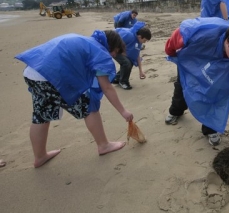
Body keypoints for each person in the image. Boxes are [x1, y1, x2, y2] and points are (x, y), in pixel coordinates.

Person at [15, 30, 134, 168]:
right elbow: (107, 87)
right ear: (112, 46)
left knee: (41, 115)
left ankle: (40, 157)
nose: (114, 55)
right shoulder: (100, 52)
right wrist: (123, 111)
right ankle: (104, 145)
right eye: (116, 51)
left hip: (33, 72)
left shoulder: (85, 41)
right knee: (89, 105)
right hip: (51, 77)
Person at [164, 17, 229, 146]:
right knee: (182, 86)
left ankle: (210, 129)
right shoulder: (206, 34)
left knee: (216, 96)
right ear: (228, 42)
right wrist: (170, 51)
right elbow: (180, 33)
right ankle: (175, 111)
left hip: (218, 75)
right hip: (193, 63)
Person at [112, 22, 152, 90]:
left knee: (130, 61)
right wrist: (122, 53)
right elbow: (114, 43)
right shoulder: (128, 35)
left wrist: (141, 71)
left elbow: (137, 56)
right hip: (113, 47)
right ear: (139, 36)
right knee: (127, 62)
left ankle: (117, 78)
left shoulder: (139, 42)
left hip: (120, 49)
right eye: (144, 40)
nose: (144, 42)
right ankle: (123, 82)